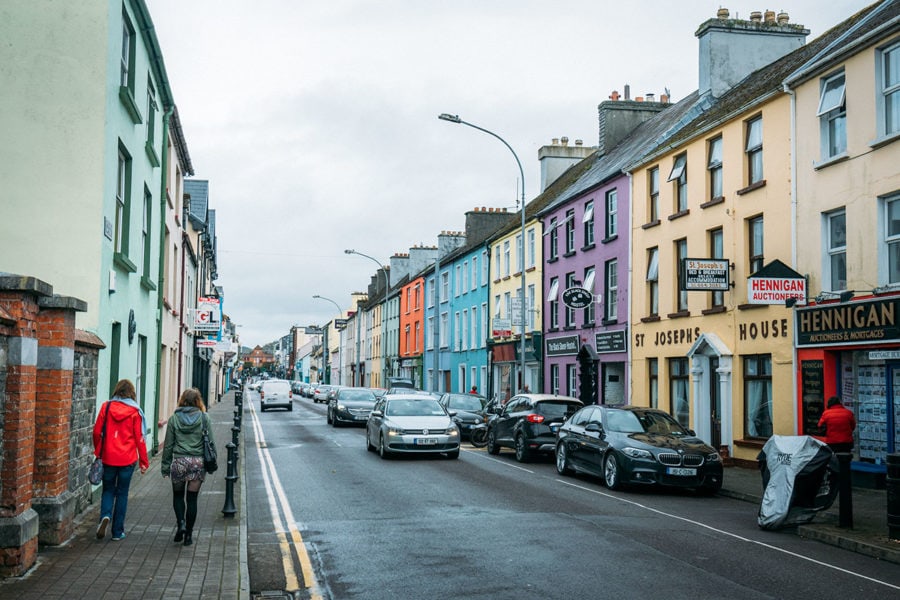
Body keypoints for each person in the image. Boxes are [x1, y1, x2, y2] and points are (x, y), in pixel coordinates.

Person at [92, 379, 149, 541]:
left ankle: (105, 516)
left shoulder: (106, 407)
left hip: (108, 457)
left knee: (108, 490)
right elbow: (139, 438)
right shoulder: (135, 412)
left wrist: (99, 449)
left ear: (116, 391)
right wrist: (144, 462)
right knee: (122, 493)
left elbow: (96, 432)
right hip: (127, 459)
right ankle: (117, 532)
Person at [161, 388, 217, 547]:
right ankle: (189, 536)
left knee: (178, 496)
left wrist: (165, 467)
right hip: (197, 464)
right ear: (198, 401)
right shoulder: (204, 418)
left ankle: (181, 524)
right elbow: (211, 442)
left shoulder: (174, 419)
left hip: (179, 462)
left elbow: (168, 445)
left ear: (182, 400)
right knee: (192, 499)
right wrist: (212, 463)